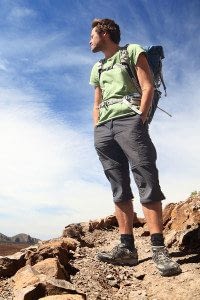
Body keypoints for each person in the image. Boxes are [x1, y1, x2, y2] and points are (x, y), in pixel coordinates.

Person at [89, 18, 181, 276]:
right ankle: (127, 247)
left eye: (92, 35)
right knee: (118, 186)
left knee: (145, 177)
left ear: (104, 33)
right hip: (105, 129)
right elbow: (96, 102)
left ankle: (158, 249)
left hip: (130, 121)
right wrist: (97, 126)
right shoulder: (97, 67)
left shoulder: (132, 51)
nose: (89, 40)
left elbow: (147, 85)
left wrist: (140, 118)